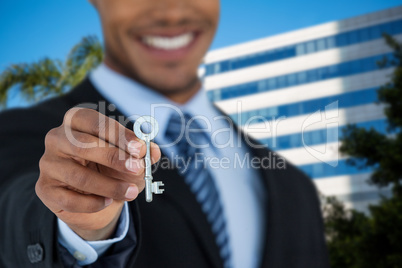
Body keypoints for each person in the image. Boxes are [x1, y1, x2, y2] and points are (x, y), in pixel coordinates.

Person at [0, 0, 329, 267]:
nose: (172, 12)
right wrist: (76, 227)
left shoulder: (294, 187)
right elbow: (14, 217)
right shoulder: (24, 131)